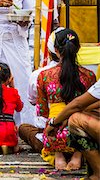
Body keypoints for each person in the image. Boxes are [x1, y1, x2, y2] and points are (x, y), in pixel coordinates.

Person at [36, 28, 96, 170]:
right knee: (85, 119)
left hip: (55, 132)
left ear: (55, 50)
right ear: (78, 48)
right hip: (81, 133)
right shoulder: (89, 76)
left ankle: (59, 154)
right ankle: (78, 154)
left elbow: (43, 112)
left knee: (27, 130)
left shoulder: (44, 76)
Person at [19, 27, 65, 153]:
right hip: (78, 136)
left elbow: (33, 100)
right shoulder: (87, 74)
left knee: (23, 128)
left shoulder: (41, 75)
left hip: (48, 135)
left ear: (51, 51)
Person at [45, 79, 100, 180]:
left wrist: (54, 122)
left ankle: (98, 173)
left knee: (75, 120)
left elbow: (77, 104)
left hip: (56, 135)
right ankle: (77, 156)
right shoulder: (88, 75)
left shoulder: (43, 75)